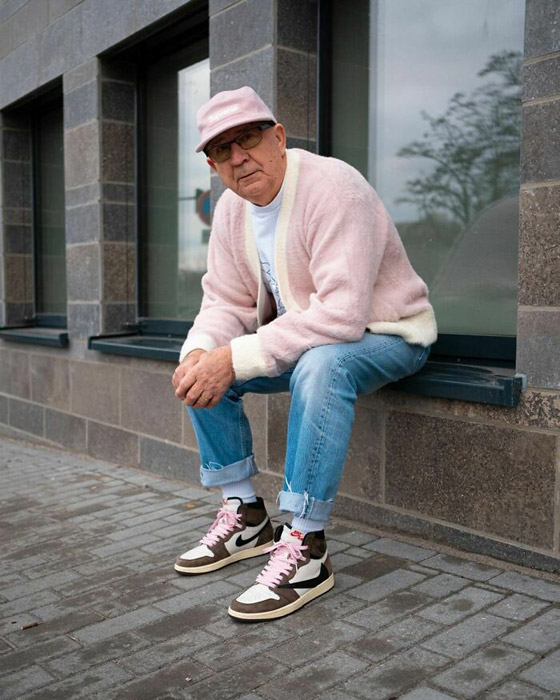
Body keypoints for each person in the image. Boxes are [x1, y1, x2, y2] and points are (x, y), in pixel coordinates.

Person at [171, 86, 437, 621]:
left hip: (390, 333)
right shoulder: (231, 210)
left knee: (320, 364)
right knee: (206, 367)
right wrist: (199, 353)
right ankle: (246, 514)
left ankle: (306, 545)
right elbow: (225, 302)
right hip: (316, 334)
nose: (239, 157)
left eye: (248, 138)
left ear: (278, 137)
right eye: (222, 149)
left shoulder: (334, 187)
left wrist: (234, 358)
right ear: (213, 166)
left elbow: (341, 314)